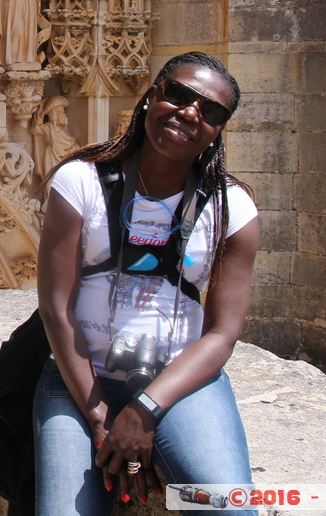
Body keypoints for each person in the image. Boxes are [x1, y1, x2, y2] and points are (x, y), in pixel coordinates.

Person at [34, 51, 259, 515]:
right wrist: (100, 418)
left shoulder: (233, 209)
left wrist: (143, 411)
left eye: (211, 112)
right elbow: (56, 308)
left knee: (227, 508)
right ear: (151, 96)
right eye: (179, 95)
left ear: (217, 131)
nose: (190, 113)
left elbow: (223, 333)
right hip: (80, 379)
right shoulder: (81, 181)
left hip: (178, 383)